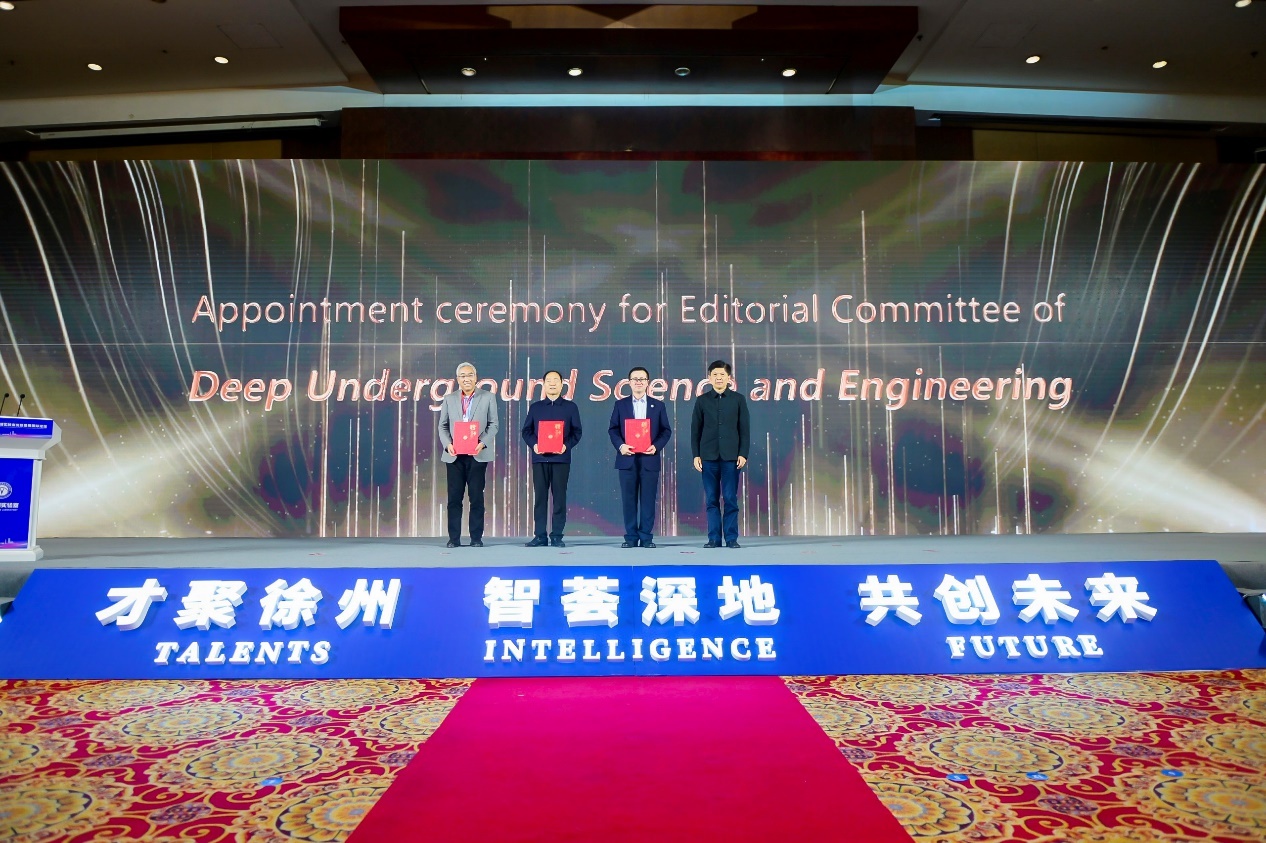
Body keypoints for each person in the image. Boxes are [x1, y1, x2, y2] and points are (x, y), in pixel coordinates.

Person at [608, 366, 672, 548]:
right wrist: (621, 446)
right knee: (628, 500)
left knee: (648, 500)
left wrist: (656, 446)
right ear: (629, 382)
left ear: (647, 383)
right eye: (635, 379)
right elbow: (613, 429)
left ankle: (646, 537)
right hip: (627, 459)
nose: (638, 382)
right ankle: (630, 537)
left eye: (642, 379)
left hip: (649, 459)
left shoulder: (658, 405)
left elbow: (666, 431)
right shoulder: (620, 405)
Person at [437, 362, 499, 548]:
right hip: (454, 456)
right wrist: (448, 444)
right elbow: (442, 426)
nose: (466, 379)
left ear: (476, 377)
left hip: (477, 454)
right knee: (454, 499)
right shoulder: (449, 399)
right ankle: (454, 539)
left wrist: (482, 443)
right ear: (458, 379)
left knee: (476, 498)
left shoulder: (488, 397)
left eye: (470, 375)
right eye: (462, 376)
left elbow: (493, 425)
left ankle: (476, 538)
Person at [691, 360, 749, 548]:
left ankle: (731, 538)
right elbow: (695, 430)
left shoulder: (738, 399)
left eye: (722, 375)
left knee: (730, 498)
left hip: (731, 457)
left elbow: (744, 430)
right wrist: (696, 455)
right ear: (709, 377)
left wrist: (743, 453)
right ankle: (714, 538)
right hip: (708, 457)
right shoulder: (702, 400)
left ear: (729, 378)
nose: (718, 378)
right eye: (715, 374)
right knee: (711, 499)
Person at [521, 370, 583, 547]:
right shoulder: (536, 407)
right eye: (549, 380)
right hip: (540, 459)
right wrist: (534, 445)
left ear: (562, 384)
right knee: (540, 498)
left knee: (559, 498)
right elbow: (526, 431)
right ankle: (540, 536)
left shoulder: (571, 407)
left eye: (556, 380)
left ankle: (557, 535)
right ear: (544, 384)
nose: (552, 383)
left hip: (561, 459)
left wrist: (566, 446)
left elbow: (577, 432)